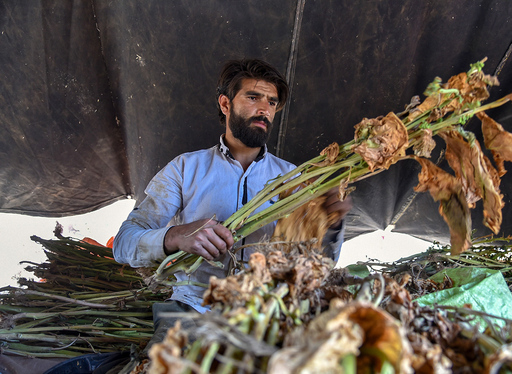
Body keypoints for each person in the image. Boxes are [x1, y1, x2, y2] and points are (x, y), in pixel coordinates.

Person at [112, 58, 352, 347]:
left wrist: (331, 226)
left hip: (269, 313)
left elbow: (318, 264)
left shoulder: (295, 180)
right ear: (225, 104)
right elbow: (124, 243)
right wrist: (176, 236)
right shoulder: (186, 169)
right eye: (253, 97)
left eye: (272, 103)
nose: (265, 109)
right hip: (193, 309)